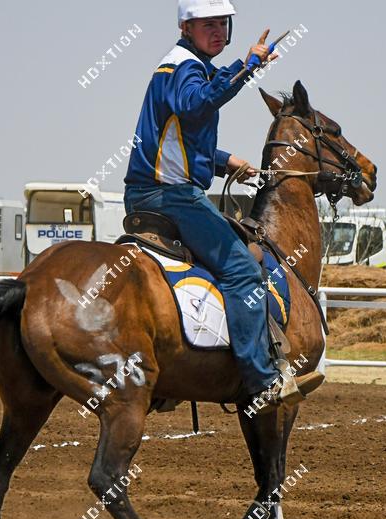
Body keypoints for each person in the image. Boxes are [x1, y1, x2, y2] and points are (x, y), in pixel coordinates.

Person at [123, 0, 288, 411]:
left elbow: (181, 138)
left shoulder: (184, 65)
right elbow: (196, 104)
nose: (217, 31)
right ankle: (261, 379)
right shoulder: (184, 67)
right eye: (207, 24)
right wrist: (245, 66)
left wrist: (225, 161)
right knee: (243, 270)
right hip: (171, 196)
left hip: (153, 191)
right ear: (186, 28)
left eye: (222, 24)